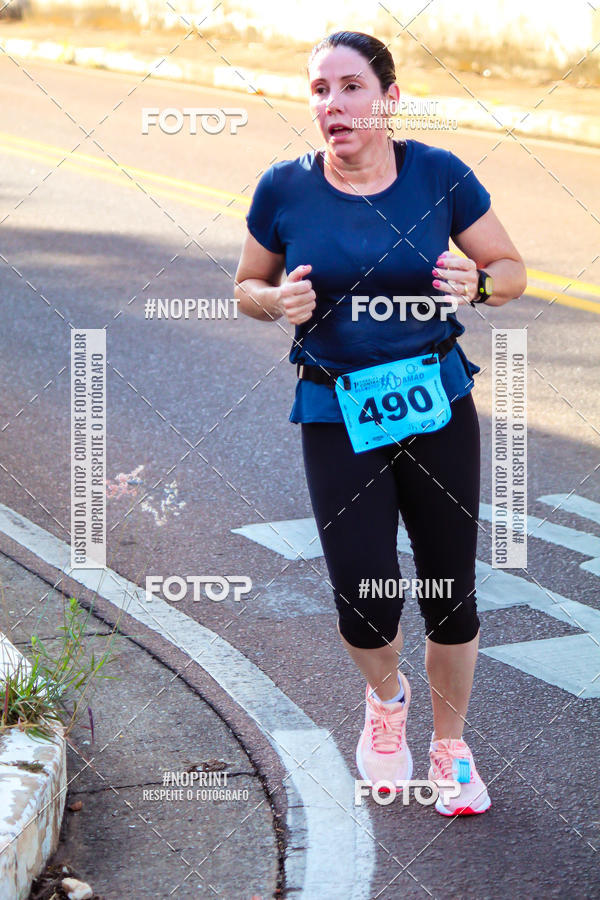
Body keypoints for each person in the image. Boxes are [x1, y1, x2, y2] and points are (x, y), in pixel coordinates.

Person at [234, 30, 527, 816]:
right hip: (336, 409)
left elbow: (510, 269)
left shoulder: (439, 174)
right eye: (321, 90)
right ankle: (387, 706)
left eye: (352, 87)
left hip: (435, 404)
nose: (334, 104)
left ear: (389, 100)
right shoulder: (284, 187)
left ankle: (452, 746)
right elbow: (245, 288)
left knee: (451, 591)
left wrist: (481, 284)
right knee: (363, 597)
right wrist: (276, 304)